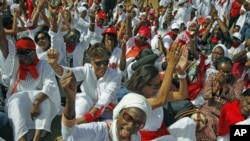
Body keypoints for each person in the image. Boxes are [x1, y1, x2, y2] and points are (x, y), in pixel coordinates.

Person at [0, 12, 61, 141]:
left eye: (27, 52)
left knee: (45, 101)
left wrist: (37, 101)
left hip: (38, 99)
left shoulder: (44, 64)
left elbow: (50, 85)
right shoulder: (16, 62)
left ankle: (36, 139)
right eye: (20, 53)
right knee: (15, 102)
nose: (24, 57)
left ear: (34, 51)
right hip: (18, 97)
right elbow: (3, 40)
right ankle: (21, 139)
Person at [126, 41, 196, 141]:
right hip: (145, 139)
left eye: (159, 84)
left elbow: (182, 95)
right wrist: (171, 66)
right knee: (170, 139)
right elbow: (161, 100)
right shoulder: (137, 100)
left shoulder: (155, 94)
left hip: (159, 134)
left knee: (188, 123)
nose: (158, 88)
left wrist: (181, 72)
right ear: (143, 86)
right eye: (155, 86)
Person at [60, 70, 152, 141]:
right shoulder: (101, 130)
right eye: (128, 117)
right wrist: (70, 99)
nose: (131, 126)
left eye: (139, 123)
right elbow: (70, 135)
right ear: (120, 113)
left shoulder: (136, 137)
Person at [47, 43, 121, 124]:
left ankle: (76, 125)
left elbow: (106, 97)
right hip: (87, 106)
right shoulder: (87, 70)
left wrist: (86, 119)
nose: (103, 66)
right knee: (83, 100)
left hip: (106, 108)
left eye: (106, 62)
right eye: (98, 63)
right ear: (91, 62)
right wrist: (54, 65)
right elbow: (68, 73)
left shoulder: (115, 76)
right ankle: (75, 129)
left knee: (110, 130)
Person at [197, 56, 244, 141]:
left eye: (228, 72)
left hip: (224, 114)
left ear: (232, 68)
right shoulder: (212, 77)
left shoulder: (238, 81)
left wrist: (225, 86)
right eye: (222, 71)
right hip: (208, 109)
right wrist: (217, 88)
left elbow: (236, 100)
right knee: (204, 124)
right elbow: (205, 96)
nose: (225, 74)